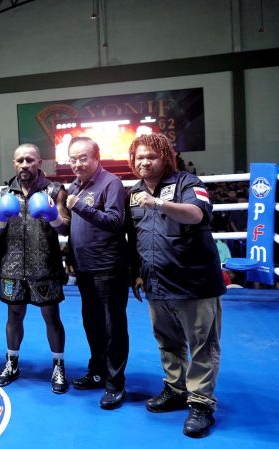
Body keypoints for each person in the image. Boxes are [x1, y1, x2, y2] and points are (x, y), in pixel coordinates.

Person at [126, 133, 224, 438]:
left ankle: (201, 402)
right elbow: (135, 236)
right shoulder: (134, 192)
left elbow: (197, 214)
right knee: (167, 341)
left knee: (202, 344)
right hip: (156, 282)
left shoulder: (188, 183)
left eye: (151, 156)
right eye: (139, 157)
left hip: (194, 282)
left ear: (165, 157)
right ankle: (176, 388)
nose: (144, 162)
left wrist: (158, 204)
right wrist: (137, 273)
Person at [0, 144, 70, 393]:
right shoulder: (5, 193)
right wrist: (0, 218)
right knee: (13, 316)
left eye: (29, 160)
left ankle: (58, 366)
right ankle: (12, 363)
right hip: (12, 266)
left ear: (39, 163)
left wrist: (52, 216)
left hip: (45, 267)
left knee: (51, 317)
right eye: (20, 160)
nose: (24, 165)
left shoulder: (54, 190)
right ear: (14, 163)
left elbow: (65, 227)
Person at [65, 136, 129, 409]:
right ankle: (98, 370)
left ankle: (115, 383)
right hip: (84, 267)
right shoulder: (75, 186)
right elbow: (75, 227)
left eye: (83, 158)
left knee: (113, 326)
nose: (77, 164)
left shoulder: (111, 183)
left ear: (96, 158)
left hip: (109, 267)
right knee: (91, 323)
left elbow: (115, 222)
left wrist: (79, 206)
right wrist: (70, 255)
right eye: (73, 159)